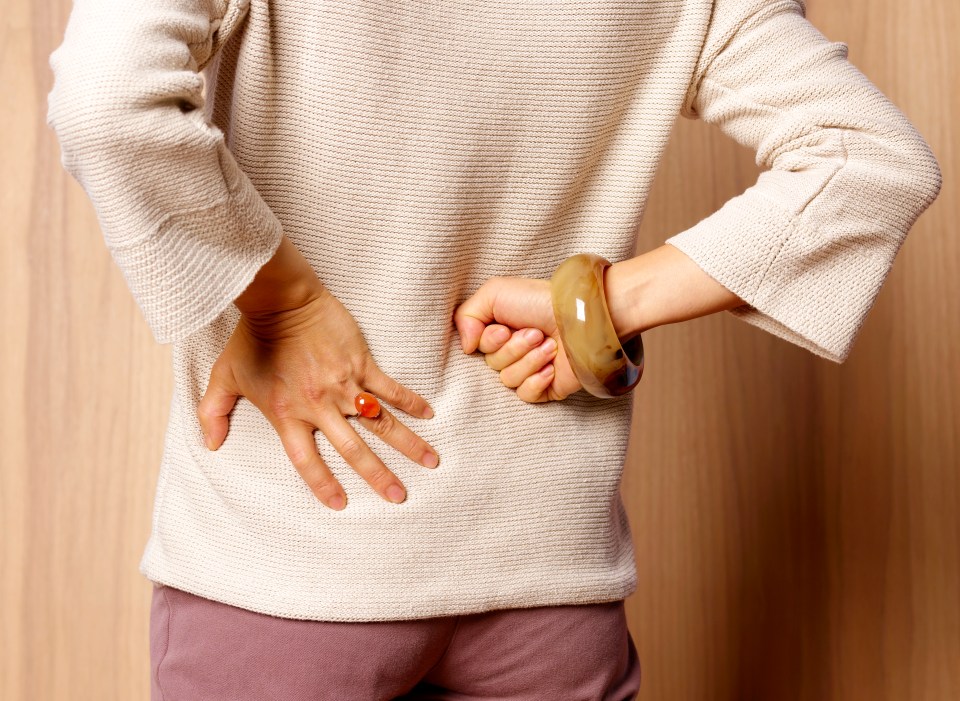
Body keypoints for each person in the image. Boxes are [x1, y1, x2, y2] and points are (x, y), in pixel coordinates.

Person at [45, 0, 941, 698]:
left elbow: (104, 95)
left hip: (289, 572)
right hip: (550, 590)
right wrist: (602, 306)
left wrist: (285, 305)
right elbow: (869, 160)